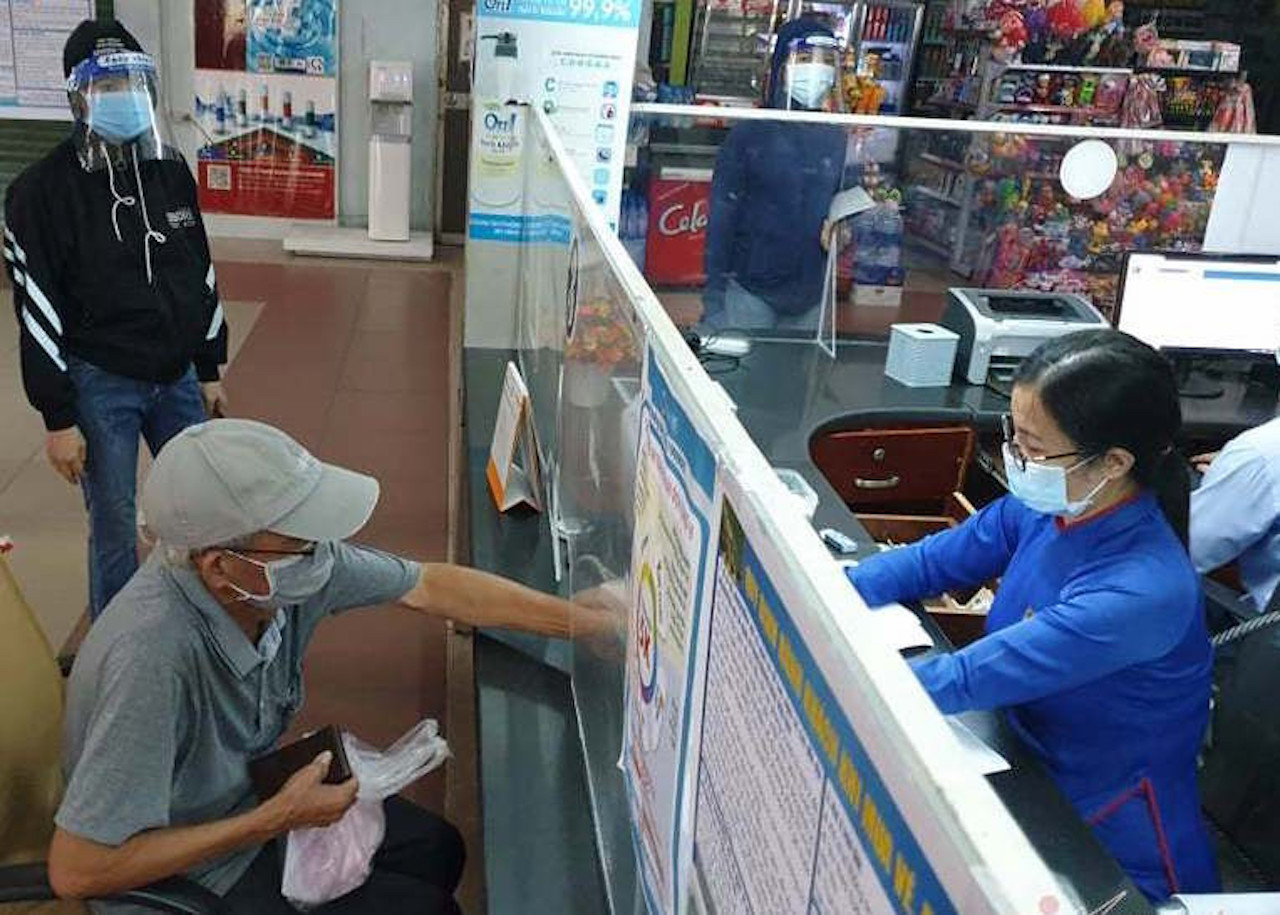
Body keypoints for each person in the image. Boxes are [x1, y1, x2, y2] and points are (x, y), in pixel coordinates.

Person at [48, 419, 602, 913]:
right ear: (220, 565)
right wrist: (274, 819)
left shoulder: (280, 573)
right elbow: (78, 870)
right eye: (300, 540)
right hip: (186, 871)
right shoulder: (152, 657)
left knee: (439, 849)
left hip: (245, 800)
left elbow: (431, 585)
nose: (323, 552)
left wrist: (578, 620)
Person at [845, 330, 1219, 901]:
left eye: (1034, 446)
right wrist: (834, 587)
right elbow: (928, 563)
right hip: (1020, 758)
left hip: (1104, 841)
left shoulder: (1141, 590)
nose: (1017, 459)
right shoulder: (1050, 506)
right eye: (1013, 436)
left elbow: (966, 678)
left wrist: (827, 664)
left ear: (1113, 462)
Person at [3, 19, 227, 619]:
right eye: (107, 85)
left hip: (176, 375)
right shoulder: (39, 193)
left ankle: (194, 628)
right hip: (103, 383)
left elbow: (198, 269)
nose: (123, 94)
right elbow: (39, 310)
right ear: (78, 97)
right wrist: (57, 416)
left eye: (133, 80)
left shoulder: (168, 169)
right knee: (114, 526)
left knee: (199, 506)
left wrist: (208, 366)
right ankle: (117, 648)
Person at [699, 18, 847, 333]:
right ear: (782, 65)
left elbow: (845, 203)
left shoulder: (836, 137)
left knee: (795, 377)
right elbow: (722, 217)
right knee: (744, 377)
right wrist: (714, 296)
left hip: (811, 292)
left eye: (825, 61)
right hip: (751, 288)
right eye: (805, 59)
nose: (816, 70)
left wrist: (845, 230)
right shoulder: (751, 133)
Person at [1189, 416, 1280, 611]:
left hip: (1265, 628)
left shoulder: (1262, 450)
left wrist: (1241, 468)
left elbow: (1187, 550)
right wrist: (1238, 469)